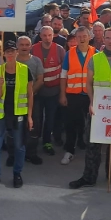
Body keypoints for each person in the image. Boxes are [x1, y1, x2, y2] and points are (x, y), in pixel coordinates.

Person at [69, 27, 111, 188]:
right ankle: (89, 177)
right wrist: (92, 102)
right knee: (93, 144)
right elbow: (88, 84)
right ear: (103, 39)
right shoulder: (95, 59)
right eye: (108, 38)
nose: (110, 41)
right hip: (98, 108)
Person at [0, 41, 34, 190]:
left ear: (16, 53)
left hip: (18, 114)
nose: (10, 54)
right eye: (7, 51)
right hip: (1, 114)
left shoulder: (25, 70)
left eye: (12, 51)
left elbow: (30, 94)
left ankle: (17, 174)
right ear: (4, 54)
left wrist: (29, 116)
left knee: (19, 146)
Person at [59, 27, 96, 165]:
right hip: (73, 94)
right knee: (71, 124)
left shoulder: (96, 53)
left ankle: (92, 151)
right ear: (76, 38)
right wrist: (62, 94)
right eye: (79, 36)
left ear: (89, 37)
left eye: (84, 36)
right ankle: (69, 151)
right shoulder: (70, 53)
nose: (82, 39)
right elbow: (63, 75)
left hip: (90, 95)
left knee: (91, 124)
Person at [31, 27, 66, 157]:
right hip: (37, 92)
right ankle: (34, 141)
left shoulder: (59, 50)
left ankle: (47, 142)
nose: (47, 38)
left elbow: (64, 72)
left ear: (53, 36)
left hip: (53, 92)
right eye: (44, 35)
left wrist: (62, 92)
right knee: (37, 119)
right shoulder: (33, 49)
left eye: (49, 35)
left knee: (50, 119)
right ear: (40, 36)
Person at [16, 36, 45, 166]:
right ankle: (14, 154)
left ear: (31, 46)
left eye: (27, 44)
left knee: (33, 126)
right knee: (15, 127)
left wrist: (30, 94)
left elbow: (40, 79)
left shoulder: (36, 61)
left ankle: (31, 153)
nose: (24, 47)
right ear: (17, 46)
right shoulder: (12, 60)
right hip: (15, 100)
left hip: (34, 99)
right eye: (21, 44)